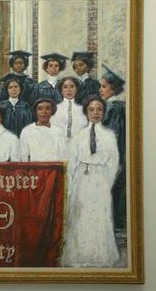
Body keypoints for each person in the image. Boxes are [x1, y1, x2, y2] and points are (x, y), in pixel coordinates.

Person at [62, 95, 120, 267]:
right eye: (92, 110)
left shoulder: (109, 136)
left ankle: (100, 256)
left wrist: (104, 182)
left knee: (99, 215)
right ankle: (80, 256)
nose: (95, 113)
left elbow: (113, 163)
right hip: (81, 179)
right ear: (86, 112)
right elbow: (72, 161)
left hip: (100, 178)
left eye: (99, 110)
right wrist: (72, 184)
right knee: (81, 215)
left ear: (103, 112)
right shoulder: (79, 135)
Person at [99, 63, 127, 230]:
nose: (101, 90)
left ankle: (115, 222)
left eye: (104, 87)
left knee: (114, 188)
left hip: (115, 155)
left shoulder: (116, 108)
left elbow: (115, 135)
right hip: (111, 155)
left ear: (114, 89)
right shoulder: (110, 106)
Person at [51, 76, 88, 143]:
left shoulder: (82, 109)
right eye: (65, 87)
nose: (69, 90)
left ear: (76, 89)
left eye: (72, 86)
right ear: (61, 91)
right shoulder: (55, 109)